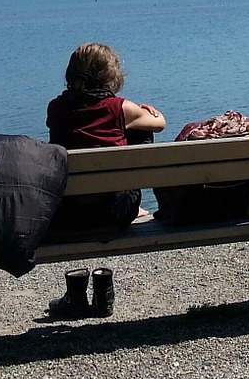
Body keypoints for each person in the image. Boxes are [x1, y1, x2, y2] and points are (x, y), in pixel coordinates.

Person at [45, 42, 167, 235]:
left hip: (68, 212)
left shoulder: (55, 108)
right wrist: (148, 110)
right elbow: (160, 123)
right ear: (110, 75)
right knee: (141, 130)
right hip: (115, 213)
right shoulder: (119, 108)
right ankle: (136, 206)